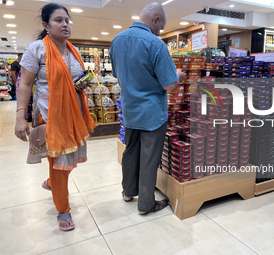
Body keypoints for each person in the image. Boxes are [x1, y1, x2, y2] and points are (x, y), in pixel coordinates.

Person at [14, 3, 96, 231]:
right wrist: (20, 117)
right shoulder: (36, 49)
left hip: (73, 116)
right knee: (60, 163)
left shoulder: (74, 50)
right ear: (45, 25)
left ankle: (51, 182)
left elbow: (74, 81)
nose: (65, 24)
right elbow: (25, 85)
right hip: (50, 117)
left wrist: (82, 83)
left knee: (64, 162)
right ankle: (63, 209)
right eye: (58, 20)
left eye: (67, 20)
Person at [110, 2, 186, 215]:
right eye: (160, 26)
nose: (159, 30)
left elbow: (117, 74)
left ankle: (127, 192)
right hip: (152, 112)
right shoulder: (156, 44)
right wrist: (178, 76)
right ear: (155, 20)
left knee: (130, 152)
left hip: (130, 109)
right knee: (150, 158)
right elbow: (170, 85)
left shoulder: (117, 40)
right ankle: (145, 204)